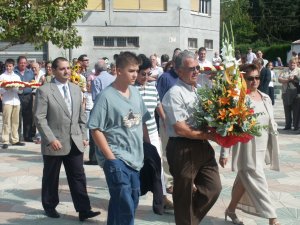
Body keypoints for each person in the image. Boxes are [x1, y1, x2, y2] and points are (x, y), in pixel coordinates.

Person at [87, 51, 151, 225]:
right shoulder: (106, 97)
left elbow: (143, 121)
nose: (135, 75)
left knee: (130, 200)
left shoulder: (135, 93)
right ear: (118, 70)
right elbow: (95, 128)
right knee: (125, 206)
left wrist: (148, 146)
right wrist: (111, 158)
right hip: (117, 159)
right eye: (131, 71)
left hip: (136, 159)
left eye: (136, 71)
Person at [33, 57, 100, 221]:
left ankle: (84, 209)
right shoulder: (45, 90)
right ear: (54, 70)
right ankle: (49, 206)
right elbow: (39, 118)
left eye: (68, 68)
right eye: (62, 68)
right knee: (51, 176)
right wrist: (50, 138)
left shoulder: (76, 89)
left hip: (75, 141)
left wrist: (83, 135)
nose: (66, 71)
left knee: (78, 176)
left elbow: (81, 116)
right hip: (54, 142)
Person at [162, 50, 221, 225]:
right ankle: (186, 221)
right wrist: (208, 135)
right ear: (179, 71)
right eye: (191, 69)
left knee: (213, 188)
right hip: (183, 148)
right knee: (184, 195)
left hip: (202, 146)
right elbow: (181, 129)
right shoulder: (174, 93)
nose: (196, 71)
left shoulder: (200, 90)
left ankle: (188, 221)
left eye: (197, 68)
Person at [219, 63, 280, 225]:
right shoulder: (239, 99)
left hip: (260, 147)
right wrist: (224, 152)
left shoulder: (265, 97)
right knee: (257, 178)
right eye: (250, 78)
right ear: (243, 79)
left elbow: (269, 123)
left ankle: (231, 210)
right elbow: (229, 127)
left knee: (244, 179)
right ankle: (273, 218)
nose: (254, 81)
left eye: (257, 77)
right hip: (245, 147)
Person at [134, 56, 173, 212]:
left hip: (152, 133)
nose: (145, 77)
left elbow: (158, 106)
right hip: (135, 135)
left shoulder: (152, 87)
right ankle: (132, 197)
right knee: (137, 168)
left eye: (147, 74)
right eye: (142, 74)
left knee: (158, 168)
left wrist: (166, 122)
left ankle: (161, 198)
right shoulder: (130, 90)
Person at [0, 58, 25, 149]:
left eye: (10, 66)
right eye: (7, 66)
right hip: (7, 101)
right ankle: (5, 140)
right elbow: (0, 90)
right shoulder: (2, 76)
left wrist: (21, 89)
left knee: (16, 122)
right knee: (6, 122)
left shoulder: (17, 77)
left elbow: (19, 90)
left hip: (16, 101)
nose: (8, 68)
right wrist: (4, 89)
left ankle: (15, 140)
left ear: (13, 66)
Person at [14, 56, 35, 142]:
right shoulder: (14, 72)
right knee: (17, 117)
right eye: (21, 63)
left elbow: (33, 82)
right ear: (18, 63)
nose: (23, 64)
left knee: (28, 117)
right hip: (16, 96)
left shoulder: (30, 72)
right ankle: (17, 137)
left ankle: (27, 136)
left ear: (26, 63)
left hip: (27, 96)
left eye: (24, 63)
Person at [278, 58, 300, 130]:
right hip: (285, 92)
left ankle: (296, 126)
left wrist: (294, 78)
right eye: (291, 63)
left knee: (296, 110)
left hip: (296, 93)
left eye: (294, 63)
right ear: (289, 64)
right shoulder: (284, 70)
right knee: (287, 109)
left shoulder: (299, 70)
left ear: (296, 64)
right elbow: (279, 79)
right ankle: (288, 125)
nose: (292, 64)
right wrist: (287, 80)